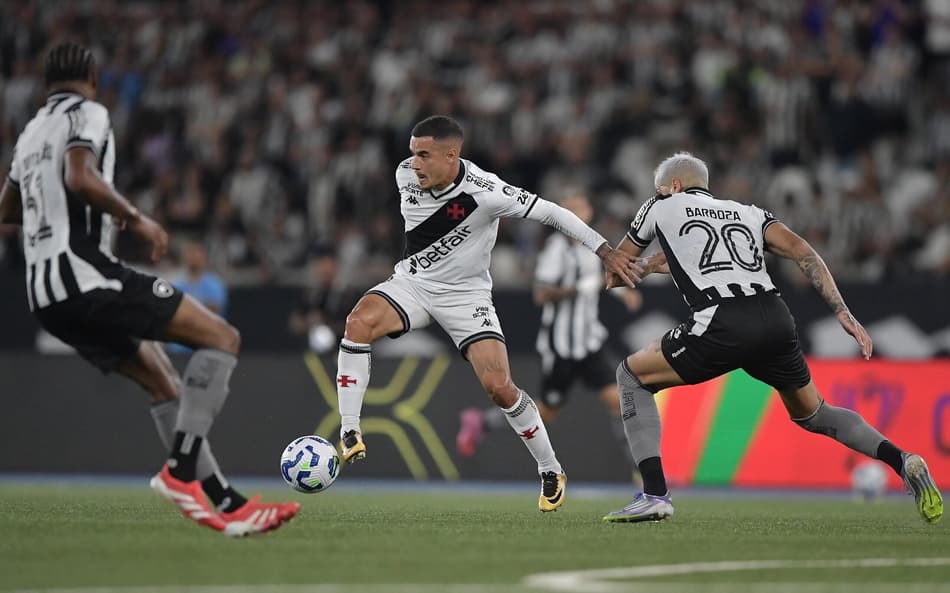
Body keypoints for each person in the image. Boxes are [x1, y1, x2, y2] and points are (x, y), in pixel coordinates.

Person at [0, 43, 298, 536]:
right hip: (86, 275)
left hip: (44, 294)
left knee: (164, 383)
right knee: (221, 338)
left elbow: (7, 209)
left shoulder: (31, 133)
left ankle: (227, 503)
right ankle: (180, 473)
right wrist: (135, 218)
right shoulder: (88, 112)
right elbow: (80, 175)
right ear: (93, 78)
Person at [601, 152, 943, 524]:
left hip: (722, 319)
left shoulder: (659, 204)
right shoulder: (747, 212)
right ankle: (903, 460)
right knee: (815, 413)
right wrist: (842, 311)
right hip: (775, 316)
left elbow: (618, 273)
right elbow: (802, 251)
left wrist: (649, 263)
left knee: (631, 377)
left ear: (674, 186)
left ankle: (654, 495)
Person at [334, 115, 641, 512]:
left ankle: (550, 469)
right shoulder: (405, 174)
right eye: (413, 154)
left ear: (451, 155)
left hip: (467, 297)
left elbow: (553, 213)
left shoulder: (488, 191)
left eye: (424, 155)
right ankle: (350, 430)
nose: (414, 164)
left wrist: (606, 251)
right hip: (414, 283)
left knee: (499, 386)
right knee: (358, 323)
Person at [456, 194, 643, 476]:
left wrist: (622, 293)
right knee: (545, 413)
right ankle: (483, 421)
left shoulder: (591, 247)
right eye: (573, 210)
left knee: (619, 402)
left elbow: (599, 280)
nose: (579, 215)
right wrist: (579, 288)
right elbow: (541, 295)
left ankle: (642, 472)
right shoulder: (556, 250)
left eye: (583, 208)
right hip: (561, 346)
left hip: (589, 342)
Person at [166, 240, 227, 354]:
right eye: (190, 253)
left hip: (205, 346)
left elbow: (211, 313)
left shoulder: (214, 284)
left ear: (204, 258)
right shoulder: (178, 285)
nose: (193, 257)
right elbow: (172, 313)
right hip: (179, 348)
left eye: (196, 254)